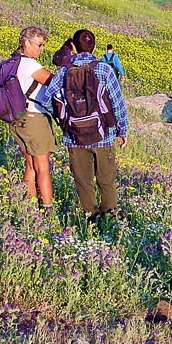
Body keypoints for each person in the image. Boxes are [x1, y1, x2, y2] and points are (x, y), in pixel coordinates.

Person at [42, 29, 128, 223]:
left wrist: (65, 120)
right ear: (94, 47)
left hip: (74, 136)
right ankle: (110, 216)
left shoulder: (63, 72)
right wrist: (122, 130)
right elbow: (117, 102)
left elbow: (48, 102)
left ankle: (91, 216)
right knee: (106, 179)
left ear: (73, 46)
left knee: (83, 180)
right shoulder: (104, 70)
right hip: (103, 134)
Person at [8, 26, 56, 209]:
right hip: (34, 118)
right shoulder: (31, 66)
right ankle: (47, 209)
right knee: (42, 167)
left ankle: (29, 209)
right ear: (27, 43)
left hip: (17, 118)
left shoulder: (13, 62)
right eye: (40, 44)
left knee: (30, 165)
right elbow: (54, 82)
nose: (41, 49)